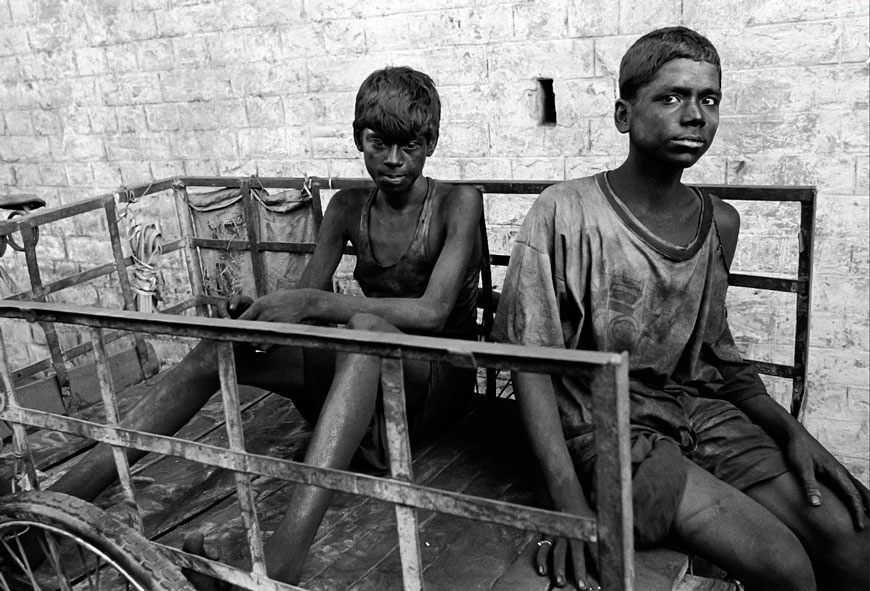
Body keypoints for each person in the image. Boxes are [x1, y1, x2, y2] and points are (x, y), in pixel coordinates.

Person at [46, 66, 483, 586]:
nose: (392, 160)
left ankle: (284, 560)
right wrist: (261, 312)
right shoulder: (347, 207)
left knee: (363, 327)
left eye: (408, 146)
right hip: (362, 376)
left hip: (433, 386)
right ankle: (60, 499)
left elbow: (432, 313)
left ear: (430, 141)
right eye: (377, 145)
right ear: (357, 140)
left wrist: (310, 302)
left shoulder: (459, 202)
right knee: (220, 350)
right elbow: (302, 308)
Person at [492, 26, 869, 591]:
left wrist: (795, 432)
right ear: (624, 114)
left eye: (708, 99)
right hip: (607, 427)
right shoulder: (565, 211)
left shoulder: (719, 223)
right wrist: (567, 505)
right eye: (670, 97)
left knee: (851, 542)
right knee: (785, 565)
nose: (694, 114)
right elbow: (528, 363)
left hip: (695, 411)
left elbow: (714, 352)